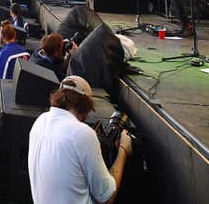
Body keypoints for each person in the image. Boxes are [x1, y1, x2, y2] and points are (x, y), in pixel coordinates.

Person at [27, 75, 131, 204]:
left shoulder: (40, 121)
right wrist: (123, 149)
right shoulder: (82, 133)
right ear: (85, 105)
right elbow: (107, 197)